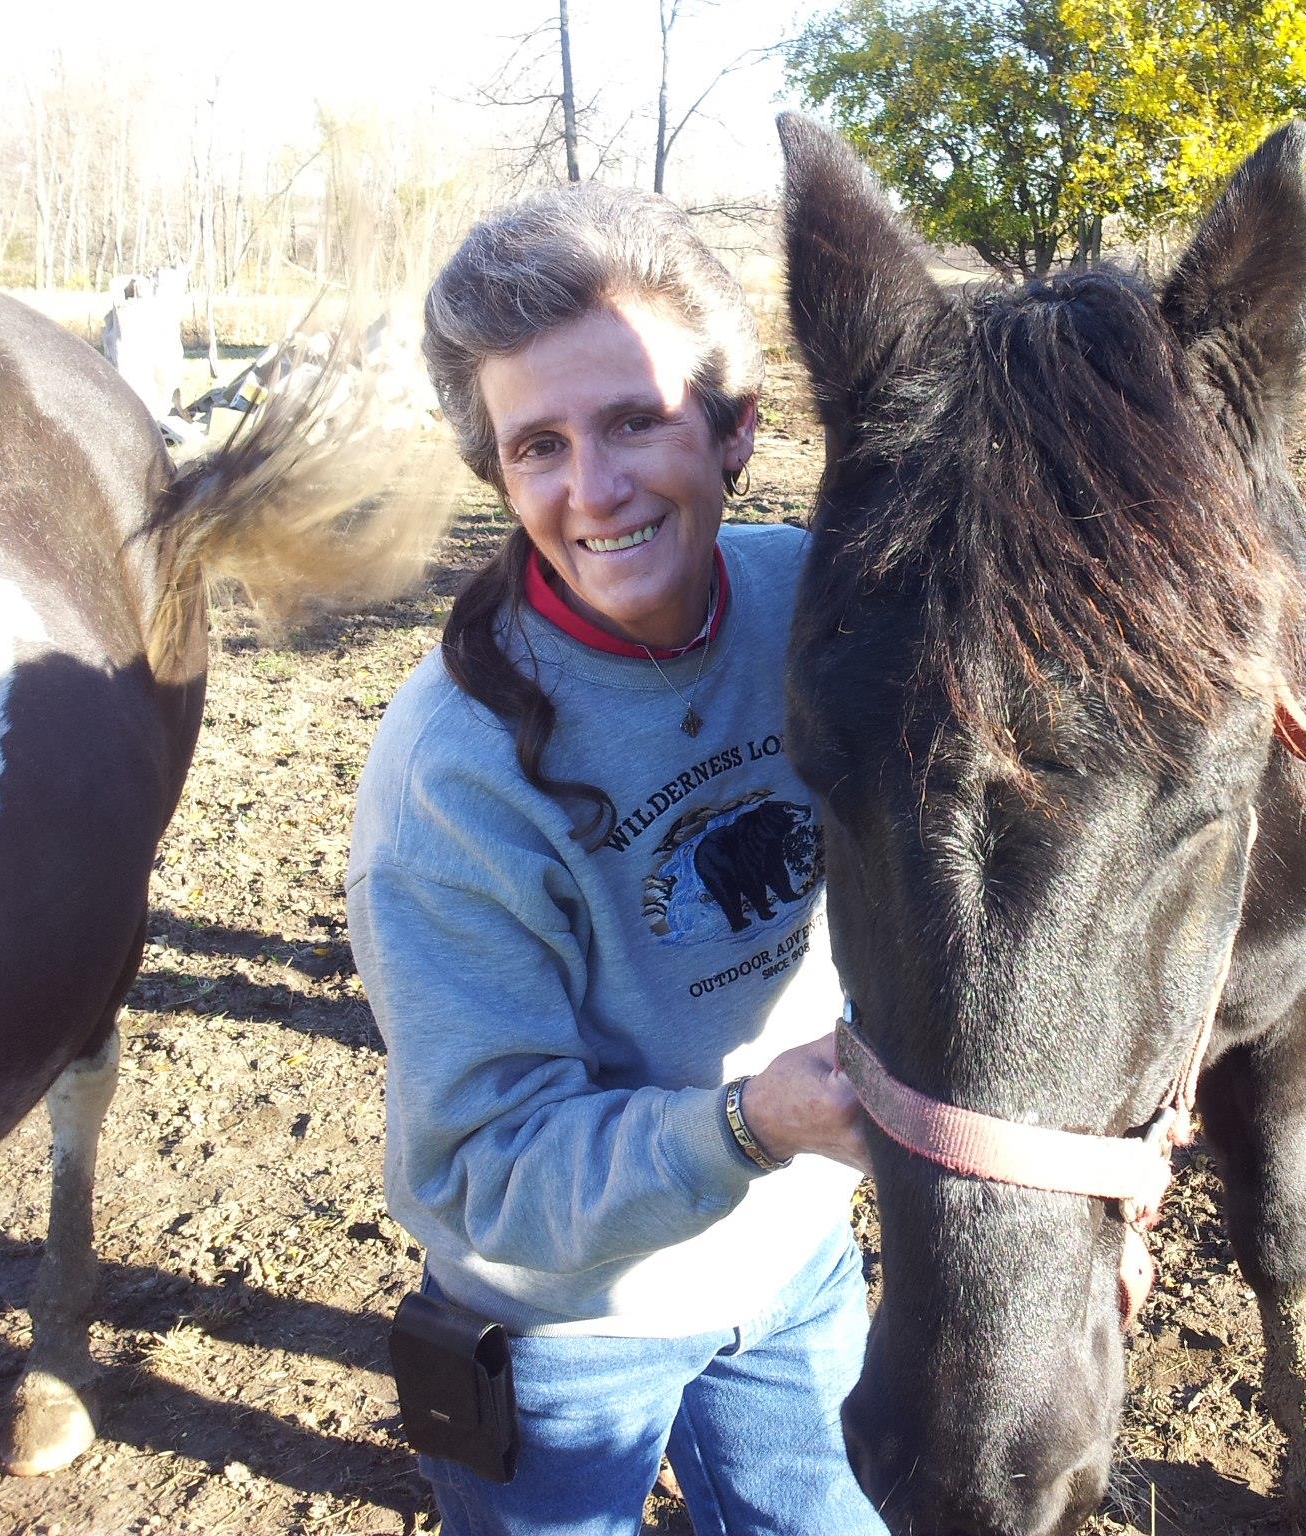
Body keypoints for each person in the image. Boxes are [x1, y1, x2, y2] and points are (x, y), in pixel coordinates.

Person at [345, 183, 883, 1536]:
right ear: (500, 474)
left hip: (797, 1263)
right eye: (539, 445)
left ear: (735, 425)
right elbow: (481, 1168)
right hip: (562, 1320)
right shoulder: (452, 778)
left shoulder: (816, 609)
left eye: (636, 417)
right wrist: (757, 1123)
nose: (594, 491)